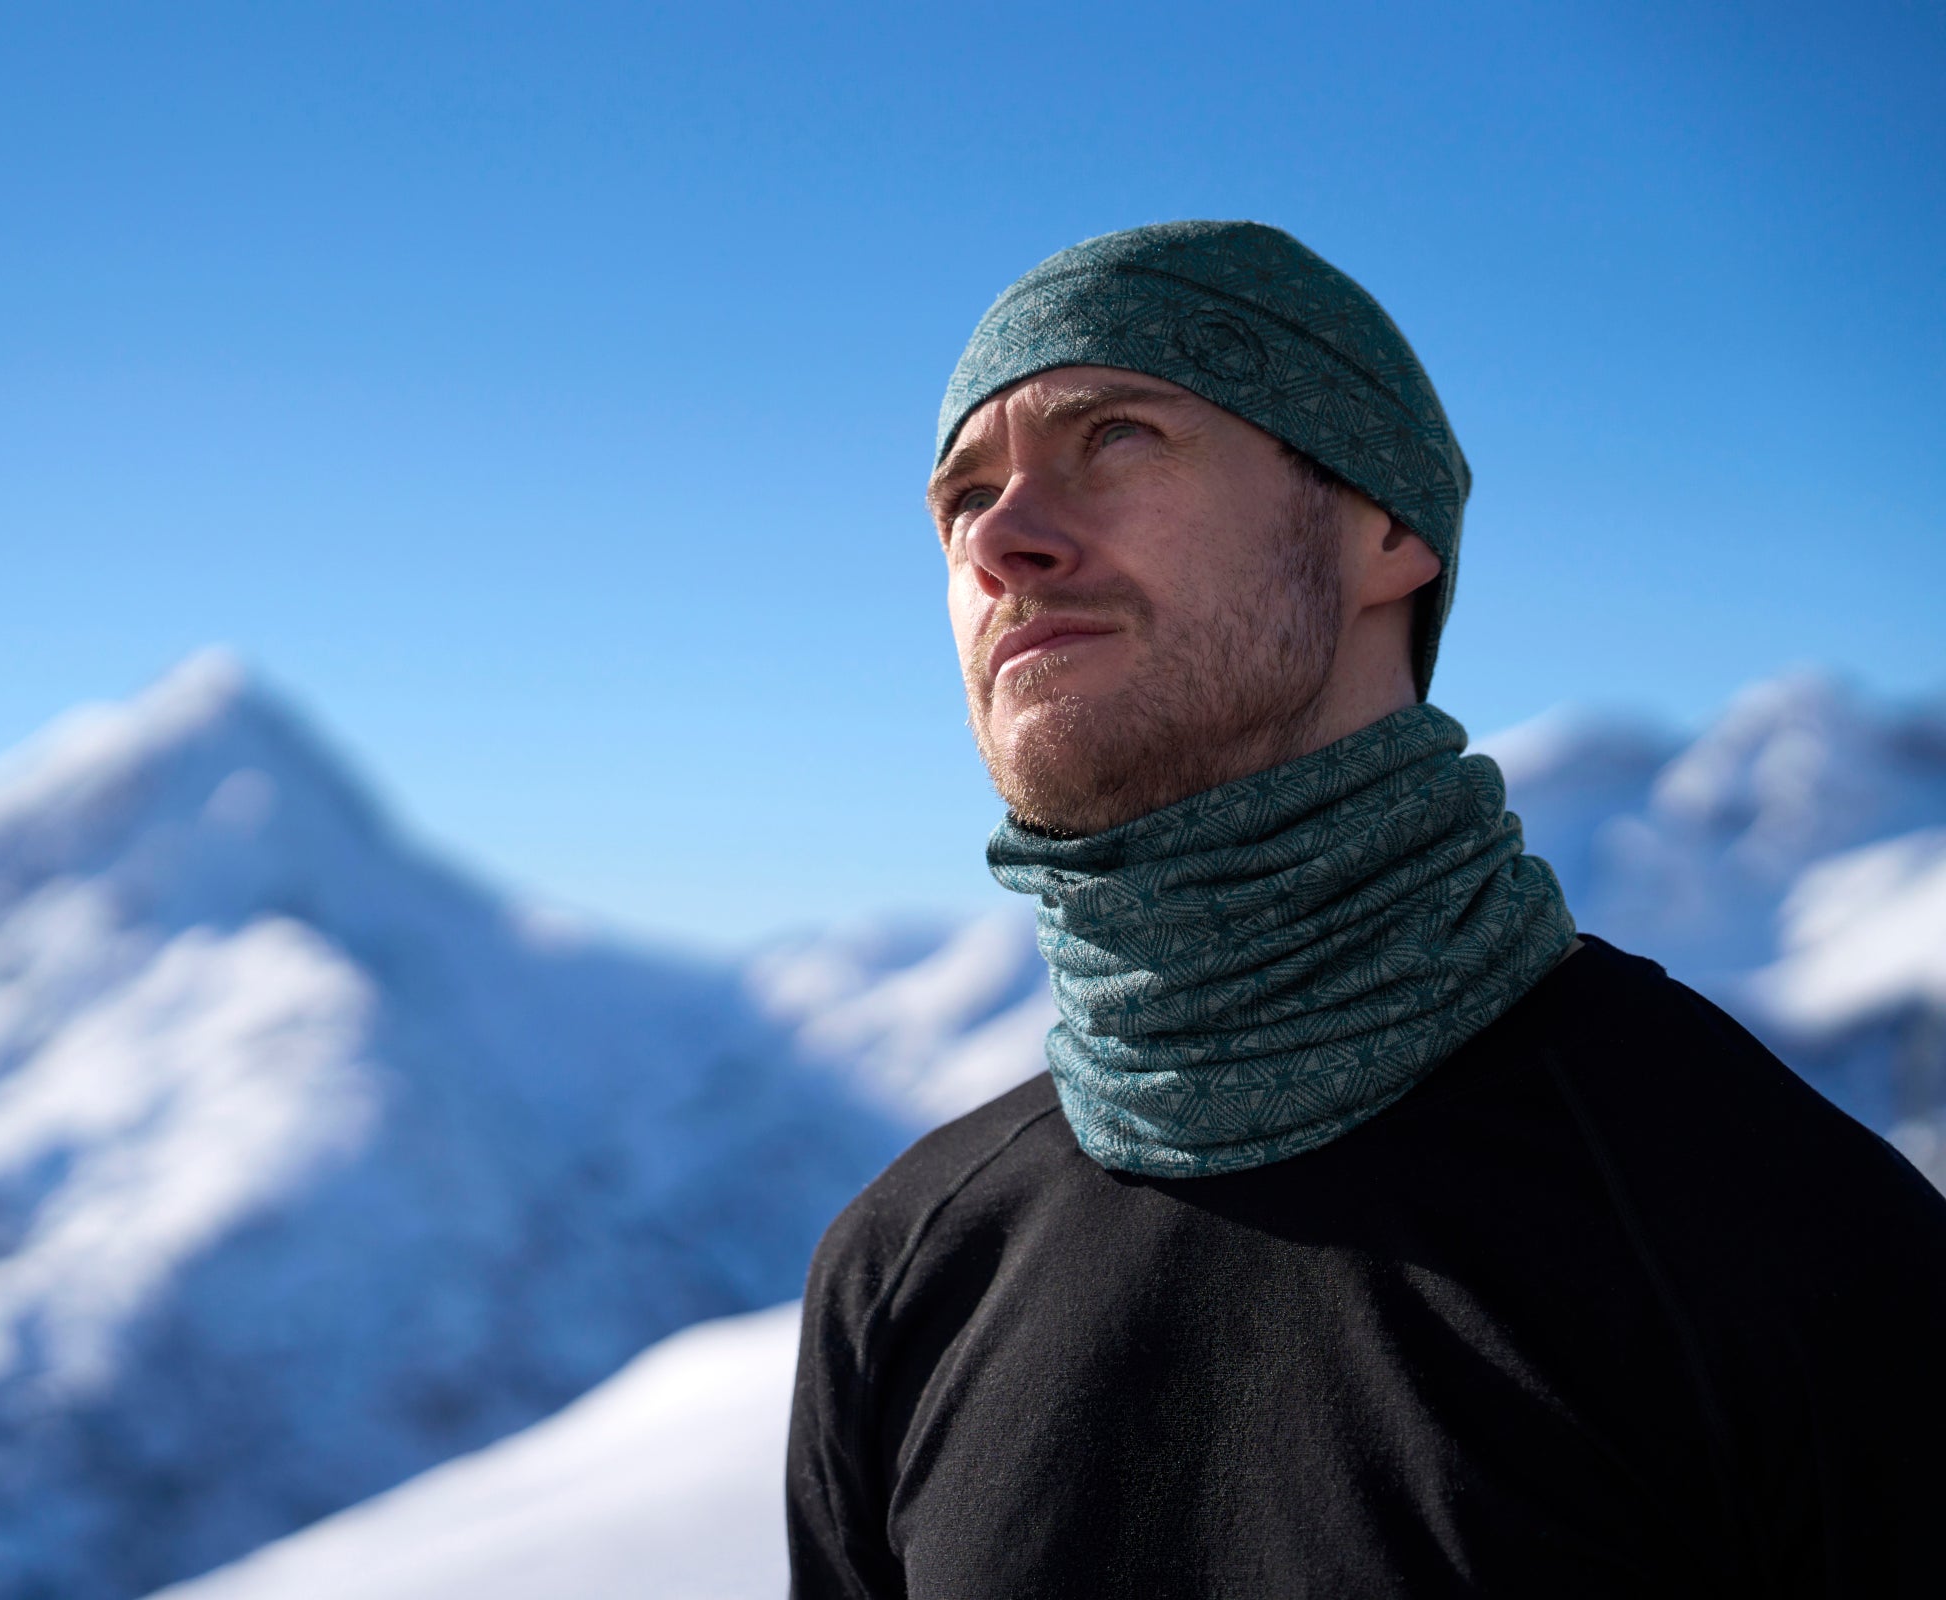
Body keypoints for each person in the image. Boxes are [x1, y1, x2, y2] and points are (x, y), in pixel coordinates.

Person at [785, 220, 1946, 1598]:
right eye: (963, 498)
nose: (1006, 540)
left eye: (1118, 438)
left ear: (1385, 523)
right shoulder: (906, 1264)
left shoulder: (1765, 1233)